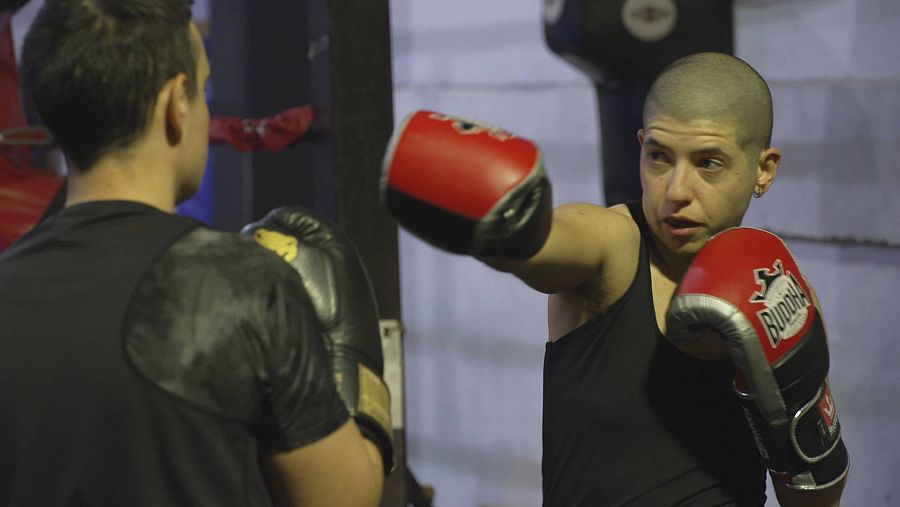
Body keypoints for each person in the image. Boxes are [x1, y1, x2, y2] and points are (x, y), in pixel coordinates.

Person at [383, 53, 848, 506]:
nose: (677, 191)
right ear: (640, 146)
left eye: (708, 163)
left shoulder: (780, 294)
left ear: (763, 170)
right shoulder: (614, 246)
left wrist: (792, 404)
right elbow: (550, 243)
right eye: (659, 157)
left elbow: (813, 498)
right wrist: (514, 229)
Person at [0, 1, 385, 505]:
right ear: (175, 104)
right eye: (202, 89)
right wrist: (352, 372)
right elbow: (342, 499)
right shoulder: (238, 284)